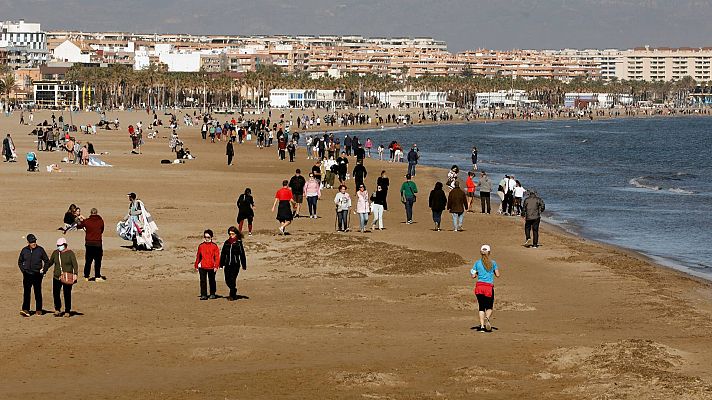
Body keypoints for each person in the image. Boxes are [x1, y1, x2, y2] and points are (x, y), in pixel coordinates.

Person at [44, 238, 79, 317]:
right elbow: (50, 263)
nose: (59, 247)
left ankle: (67, 310)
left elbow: (75, 265)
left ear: (65, 245)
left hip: (67, 278)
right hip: (56, 277)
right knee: (56, 294)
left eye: (60, 245)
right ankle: (57, 309)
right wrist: (44, 269)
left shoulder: (70, 253)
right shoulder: (55, 253)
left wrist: (75, 274)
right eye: (58, 245)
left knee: (67, 294)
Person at [18, 234, 49, 317]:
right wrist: (23, 271)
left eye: (34, 241)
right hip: (27, 274)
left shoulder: (40, 250)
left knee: (38, 292)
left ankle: (39, 310)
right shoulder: (24, 250)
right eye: (32, 242)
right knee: (26, 293)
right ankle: (25, 309)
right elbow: (20, 261)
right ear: (28, 242)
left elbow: (47, 261)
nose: (33, 243)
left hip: (37, 275)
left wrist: (44, 270)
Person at [471, 244, 500, 332]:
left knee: (481, 307)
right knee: (489, 307)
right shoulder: (493, 263)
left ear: (481, 252)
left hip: (479, 287)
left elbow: (473, 276)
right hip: (488, 287)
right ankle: (487, 318)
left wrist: (475, 273)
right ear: (489, 252)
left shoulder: (477, 263)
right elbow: (498, 275)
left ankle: (482, 326)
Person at [77, 208, 105, 281]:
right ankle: (97, 276)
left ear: (91, 213)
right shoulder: (100, 221)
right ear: (96, 213)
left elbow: (79, 226)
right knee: (98, 261)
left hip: (89, 243)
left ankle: (86, 276)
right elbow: (102, 230)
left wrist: (78, 220)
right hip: (97, 243)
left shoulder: (87, 221)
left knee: (88, 260)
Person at [221, 226, 247, 301]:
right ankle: (234, 289)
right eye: (230, 234)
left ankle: (232, 295)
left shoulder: (238, 243)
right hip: (227, 264)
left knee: (232, 279)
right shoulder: (226, 242)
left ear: (236, 234)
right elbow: (223, 253)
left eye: (232, 234)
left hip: (235, 264)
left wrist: (244, 265)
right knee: (227, 279)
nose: (231, 235)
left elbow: (242, 254)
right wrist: (221, 264)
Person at [194, 229, 221, 300]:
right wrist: (196, 265)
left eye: (208, 237)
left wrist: (216, 266)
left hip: (211, 267)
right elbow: (198, 256)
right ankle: (204, 295)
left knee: (212, 280)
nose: (206, 239)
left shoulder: (214, 246)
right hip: (202, 266)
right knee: (203, 281)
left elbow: (217, 257)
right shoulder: (201, 246)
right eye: (205, 237)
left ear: (211, 237)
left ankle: (212, 293)